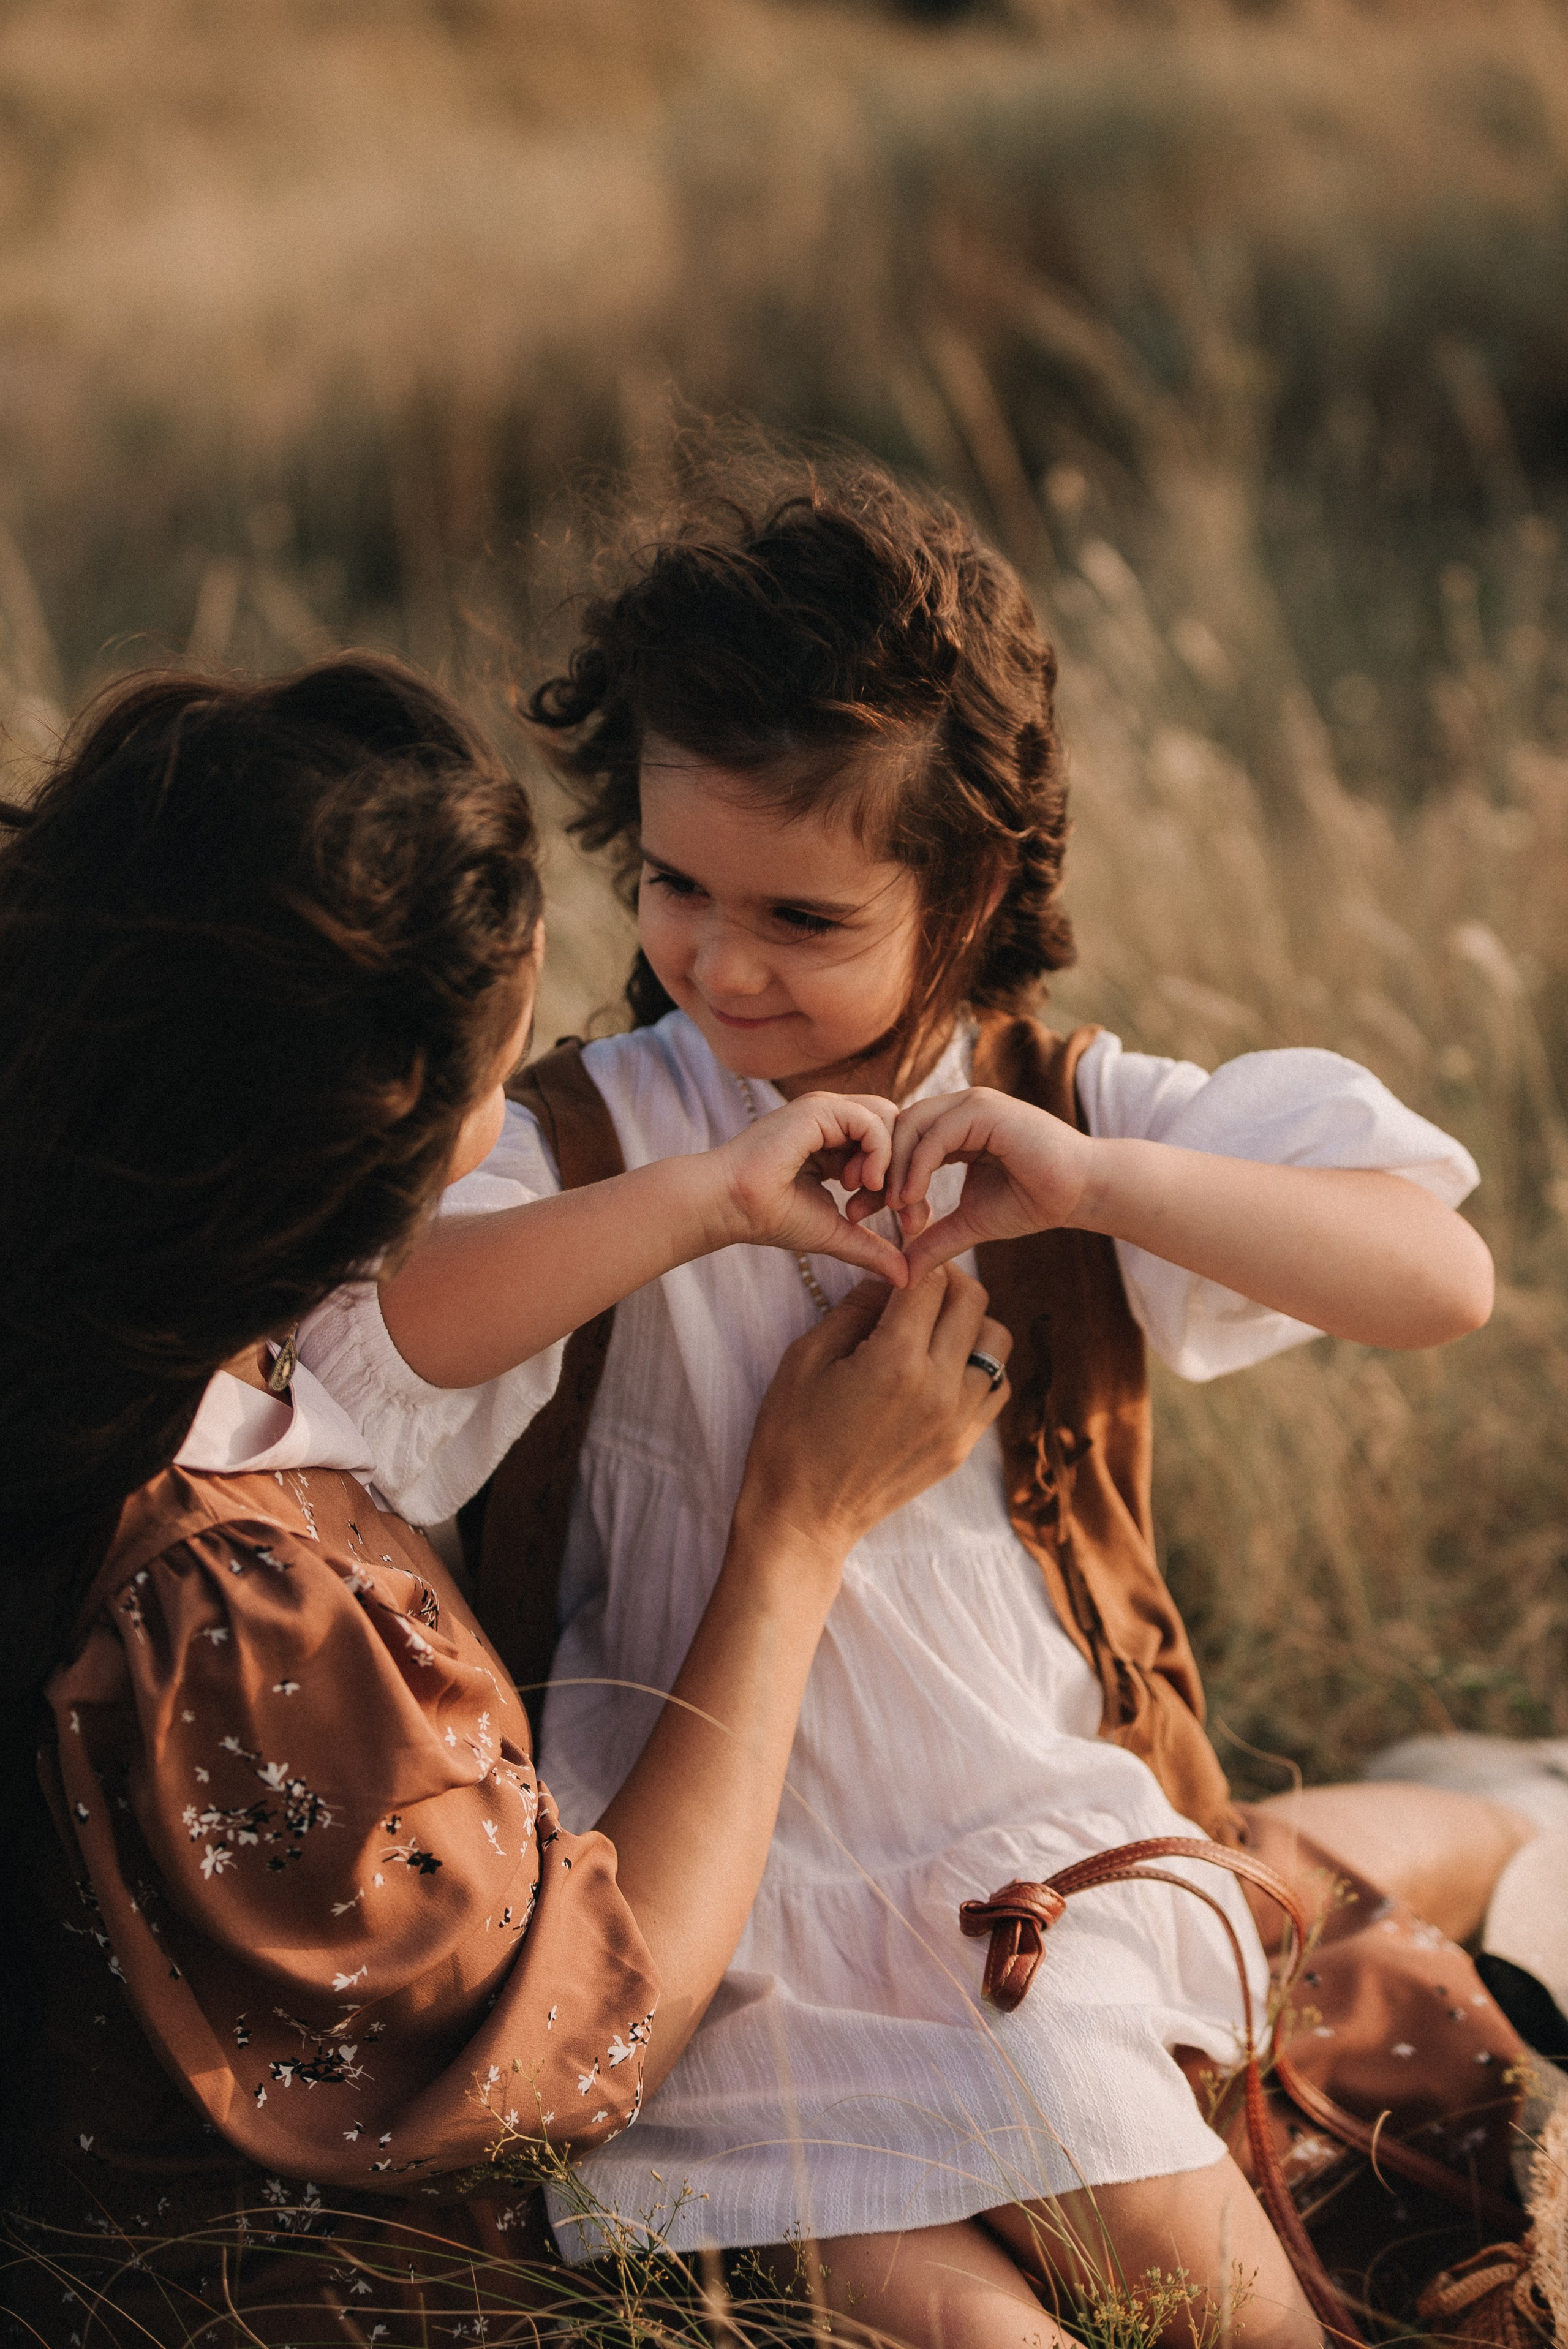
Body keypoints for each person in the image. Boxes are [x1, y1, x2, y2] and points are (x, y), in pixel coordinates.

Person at [327, 453, 1539, 2349]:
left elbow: (1437, 1272)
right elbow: (400, 1325)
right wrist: (710, 1195)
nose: (720, 962)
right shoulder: (599, 1136)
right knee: (985, 2338)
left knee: (1222, 2307)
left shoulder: (1065, 1107)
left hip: (1022, 1894)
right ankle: (1473, 1821)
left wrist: (1102, 1180)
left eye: (804, 918)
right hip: (719, 1935)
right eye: (674, 886)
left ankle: (1490, 1817)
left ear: (965, 888)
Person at [0, 653, 1014, 2348]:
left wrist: (697, 1205)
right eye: (502, 1070)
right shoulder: (234, 1609)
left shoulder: (105, 1321)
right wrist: (797, 1530)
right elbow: (584, 2045)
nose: (517, 1112)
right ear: (371, 1137)